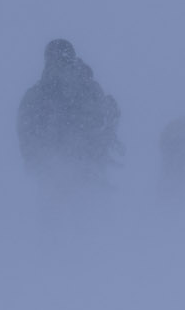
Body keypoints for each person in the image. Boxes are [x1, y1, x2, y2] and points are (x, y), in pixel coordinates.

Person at [15, 38, 122, 204]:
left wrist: (37, 164)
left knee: (57, 222)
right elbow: (103, 123)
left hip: (57, 176)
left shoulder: (37, 94)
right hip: (85, 171)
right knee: (90, 221)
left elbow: (26, 133)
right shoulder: (88, 88)